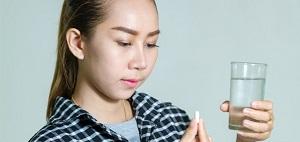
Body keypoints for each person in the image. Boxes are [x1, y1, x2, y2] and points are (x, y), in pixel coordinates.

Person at [30, 0, 274, 141]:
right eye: (124, 42)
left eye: (150, 44)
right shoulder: (56, 139)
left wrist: (247, 140)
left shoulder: (169, 119)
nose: (141, 62)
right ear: (78, 43)